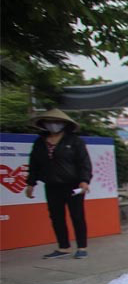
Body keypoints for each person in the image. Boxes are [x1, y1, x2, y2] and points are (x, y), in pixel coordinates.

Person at [24, 109, 92, 259]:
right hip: (52, 184)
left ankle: (82, 247)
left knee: (77, 216)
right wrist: (31, 183)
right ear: (44, 124)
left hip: (73, 185)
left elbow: (84, 162)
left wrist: (84, 180)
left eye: (56, 122)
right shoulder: (40, 142)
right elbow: (34, 163)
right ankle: (63, 247)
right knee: (56, 217)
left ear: (64, 124)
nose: (53, 125)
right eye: (49, 122)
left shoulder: (74, 141)